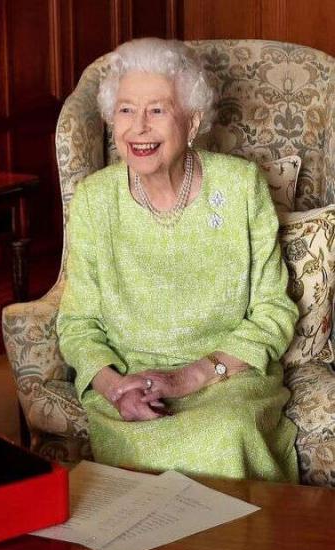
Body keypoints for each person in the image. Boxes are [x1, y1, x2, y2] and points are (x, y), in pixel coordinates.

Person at [56, 38, 299, 483]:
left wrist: (190, 378)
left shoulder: (242, 187)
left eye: (157, 110)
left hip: (227, 378)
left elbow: (273, 311)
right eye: (126, 110)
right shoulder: (94, 200)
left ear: (192, 122)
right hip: (130, 386)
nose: (139, 128)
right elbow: (78, 324)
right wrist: (115, 389)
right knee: (138, 458)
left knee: (225, 435)